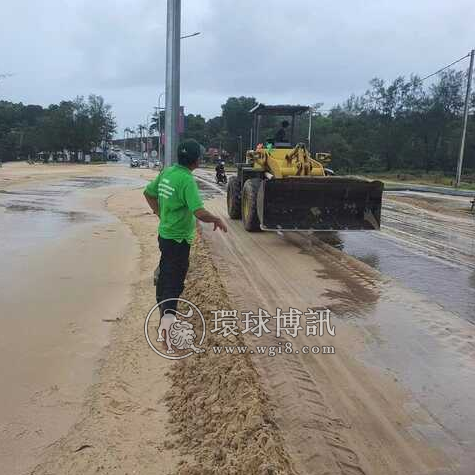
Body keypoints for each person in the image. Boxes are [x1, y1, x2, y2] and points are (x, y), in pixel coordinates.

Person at [144, 139, 227, 313]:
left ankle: (163, 311)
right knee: (173, 285)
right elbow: (199, 212)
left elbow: (148, 193)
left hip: (165, 235)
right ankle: (167, 328)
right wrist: (216, 219)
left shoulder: (167, 172)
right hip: (178, 240)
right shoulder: (187, 180)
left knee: (166, 275)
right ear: (196, 160)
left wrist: (160, 213)